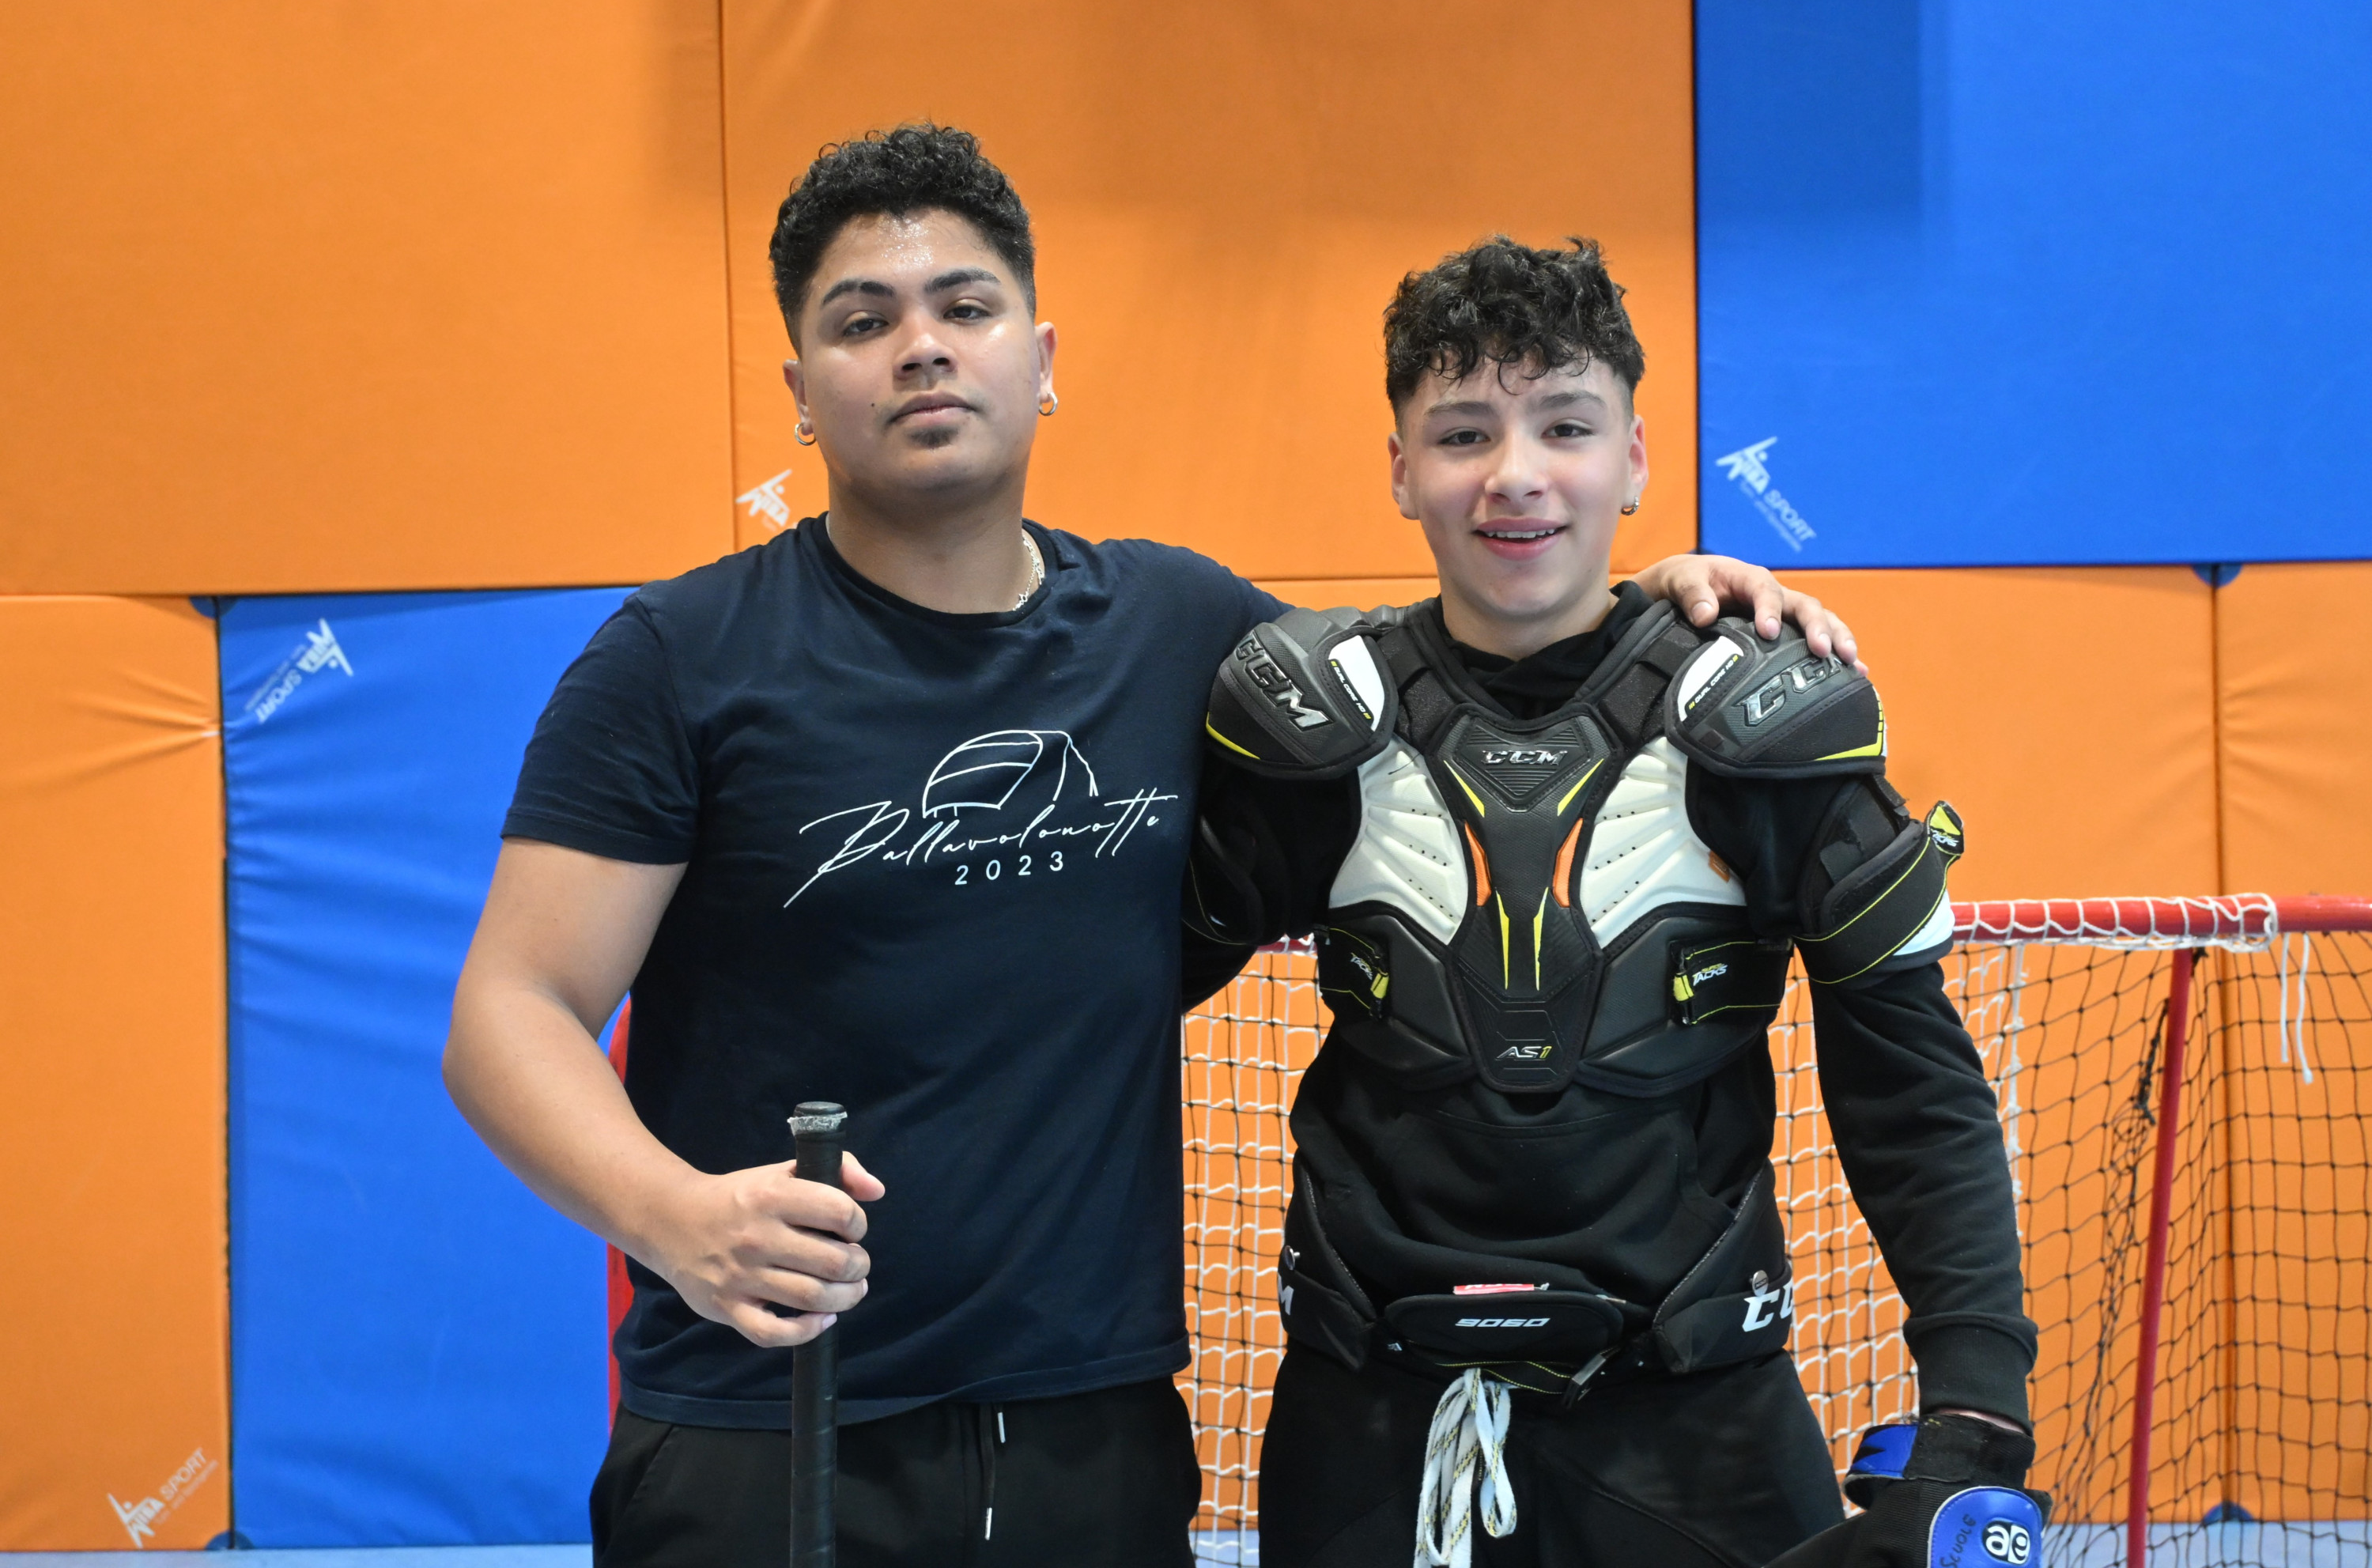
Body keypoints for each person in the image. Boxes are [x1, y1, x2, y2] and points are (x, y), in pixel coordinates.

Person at [441, 125, 1856, 1568]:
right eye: (863, 322)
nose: (922, 347)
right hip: (771, 1422)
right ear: (802, 395)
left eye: (965, 306)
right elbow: (510, 1011)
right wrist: (674, 1217)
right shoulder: (681, 659)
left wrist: (1642, 603)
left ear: (1043, 359)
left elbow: (1467, 670)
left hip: (1094, 1435)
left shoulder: (1181, 631)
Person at [1184, 236, 2049, 1567]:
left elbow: (1913, 1087)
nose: (1516, 472)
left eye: (1566, 426)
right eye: (1463, 433)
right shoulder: (1312, 729)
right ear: (1401, 469)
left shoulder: (1763, 719)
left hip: (1698, 1427)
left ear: (1636, 460)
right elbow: (1104, 993)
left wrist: (1979, 1406)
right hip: (1367, 1432)